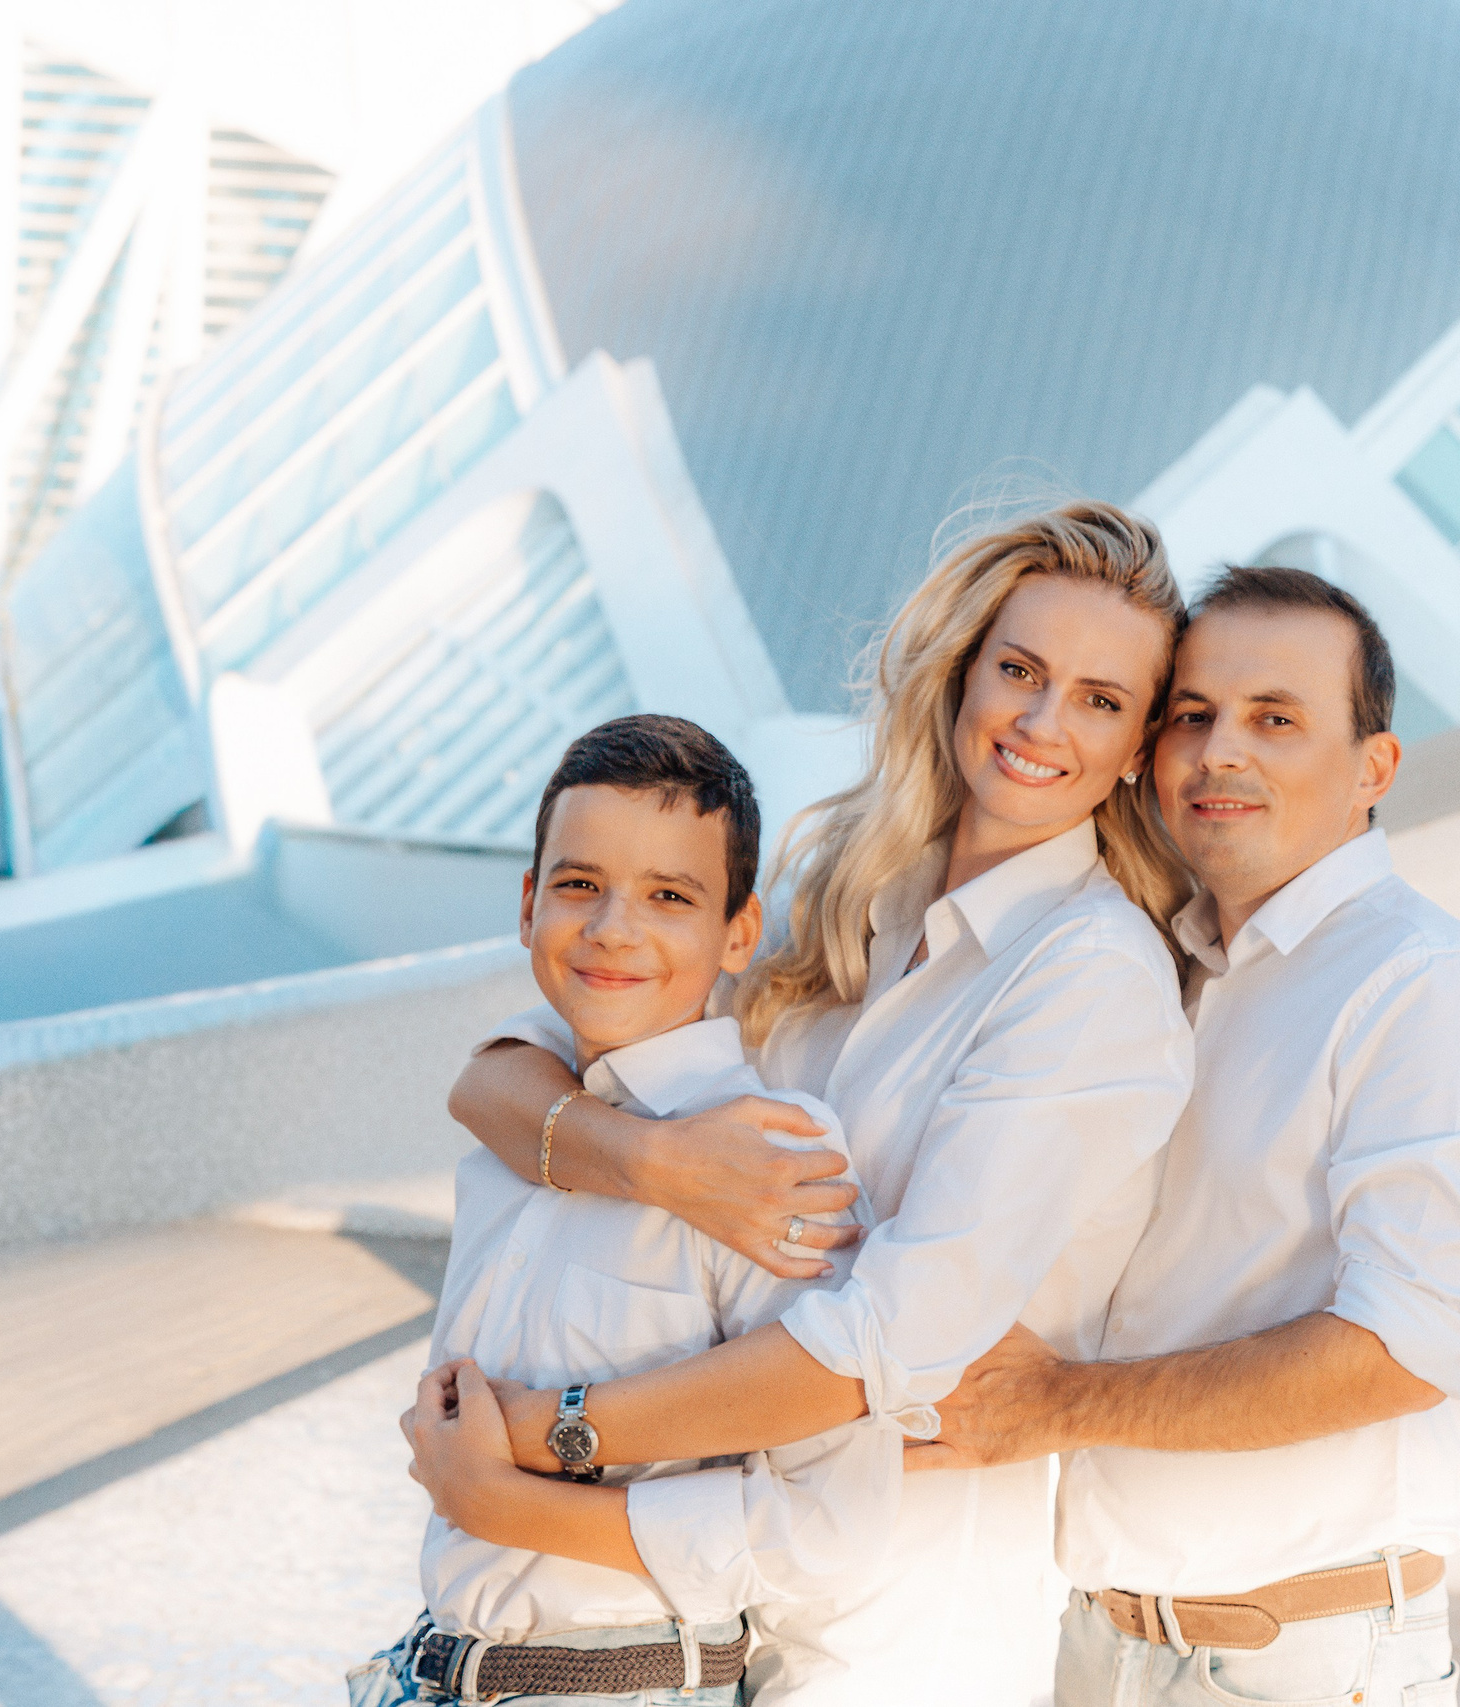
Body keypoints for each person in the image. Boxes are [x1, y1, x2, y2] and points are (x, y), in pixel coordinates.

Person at [416, 502, 1198, 1703]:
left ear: (1140, 743)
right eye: (1021, 672)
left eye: (1100, 700)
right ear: (960, 675)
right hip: (718, 1603)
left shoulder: (1090, 976)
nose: (1043, 724)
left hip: (905, 1621)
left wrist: (543, 1440)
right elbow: (510, 1071)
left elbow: (883, 1345)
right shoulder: (858, 900)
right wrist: (652, 1164)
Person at [913, 566, 1460, 1707]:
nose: (1221, 751)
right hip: (1096, 1644)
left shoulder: (1423, 990)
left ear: (1374, 768)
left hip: (1297, 1662)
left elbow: (1399, 1351)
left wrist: (1052, 1404)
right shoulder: (1157, 965)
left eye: (1275, 719)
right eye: (1192, 716)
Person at [367, 714, 888, 1705]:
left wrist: (505, 1501)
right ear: (527, 905)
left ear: (739, 930)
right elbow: (485, 1074)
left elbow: (821, 1527)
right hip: (449, 1664)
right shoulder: (516, 1116)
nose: (612, 927)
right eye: (578, 886)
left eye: (668, 896)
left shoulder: (772, 1157)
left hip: (624, 1680)